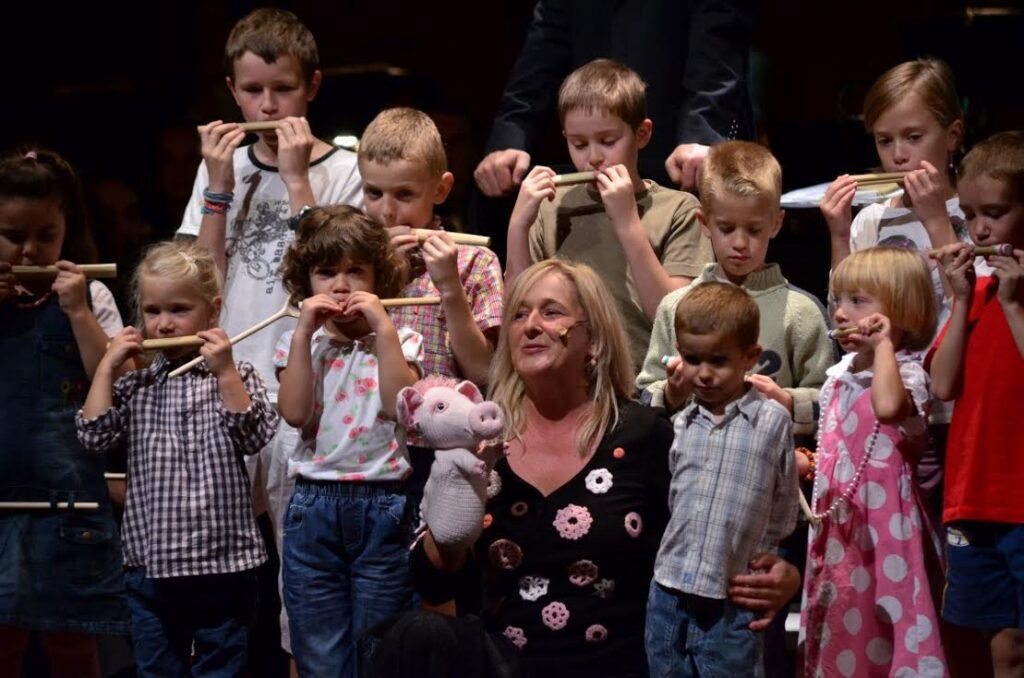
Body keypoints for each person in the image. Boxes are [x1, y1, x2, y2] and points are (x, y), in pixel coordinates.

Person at [404, 260, 800, 677]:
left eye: (551, 311)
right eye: (519, 314)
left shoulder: (644, 436)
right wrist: (450, 526)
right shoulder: (478, 437)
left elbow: (718, 519)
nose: (531, 325)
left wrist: (783, 574)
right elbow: (430, 580)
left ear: (592, 339)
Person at [76, 241, 279, 675]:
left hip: (222, 565)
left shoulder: (237, 374)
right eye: (153, 311)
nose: (164, 324)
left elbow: (255, 432)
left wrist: (224, 370)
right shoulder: (138, 387)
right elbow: (93, 435)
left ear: (213, 310)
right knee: (156, 669)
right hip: (150, 568)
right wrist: (108, 368)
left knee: (223, 667)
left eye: (179, 309)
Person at [274, 205, 422, 677]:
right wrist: (302, 333)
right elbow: (295, 413)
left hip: (383, 502)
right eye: (326, 272)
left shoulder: (401, 339)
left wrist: (383, 330)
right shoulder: (298, 344)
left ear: (379, 279)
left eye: (356, 270)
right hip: (313, 507)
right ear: (306, 283)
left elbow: (402, 403)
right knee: (318, 646)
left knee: (381, 644)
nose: (341, 285)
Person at [0, 148, 129, 677]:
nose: (30, 249)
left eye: (45, 235)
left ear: (66, 231)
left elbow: (114, 382)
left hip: (69, 508)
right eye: (12, 235)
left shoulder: (91, 295)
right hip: (1, 504)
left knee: (73, 649)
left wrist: (77, 311)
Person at [505, 59, 713, 370]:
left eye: (608, 141)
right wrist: (518, 226)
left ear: (641, 134)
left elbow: (674, 322)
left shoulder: (679, 209)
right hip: (563, 379)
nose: (593, 158)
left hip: (642, 383)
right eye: (578, 144)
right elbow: (518, 314)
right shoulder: (551, 205)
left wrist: (628, 222)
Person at [800, 247, 946, 676]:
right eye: (837, 300)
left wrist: (884, 346)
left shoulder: (907, 372)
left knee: (883, 620)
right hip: (840, 529)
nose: (841, 313)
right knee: (842, 619)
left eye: (858, 301)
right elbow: (835, 447)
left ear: (900, 312)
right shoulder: (839, 374)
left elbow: (887, 408)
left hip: (885, 532)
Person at [645, 282, 798, 677]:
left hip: (732, 591)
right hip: (670, 589)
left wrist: (768, 555)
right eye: (692, 359)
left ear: (750, 357)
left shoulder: (771, 420)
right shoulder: (682, 423)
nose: (704, 374)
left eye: (718, 360)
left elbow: (783, 497)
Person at [357, 107, 505, 514]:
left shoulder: (474, 261)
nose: (387, 212)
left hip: (439, 449)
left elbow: (484, 372)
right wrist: (379, 273)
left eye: (404, 195)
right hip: (360, 449)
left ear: (440, 190)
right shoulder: (351, 265)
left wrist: (450, 289)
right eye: (373, 193)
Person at [636, 141, 831, 435]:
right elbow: (645, 393)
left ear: (776, 223)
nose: (740, 243)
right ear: (703, 222)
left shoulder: (802, 312)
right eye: (726, 229)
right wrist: (671, 393)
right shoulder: (674, 306)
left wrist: (787, 402)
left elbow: (831, 401)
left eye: (753, 230)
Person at [473, 0, 756, 198]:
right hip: (599, 153)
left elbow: (718, 45)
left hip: (678, 151)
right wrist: (511, 136)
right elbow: (545, 40)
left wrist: (702, 137)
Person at [930, 130, 1024, 677]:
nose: (981, 229)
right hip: (974, 496)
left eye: (996, 212)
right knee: (998, 642)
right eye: (970, 214)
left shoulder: (1011, 297)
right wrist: (961, 299)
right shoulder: (979, 294)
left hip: (1019, 497)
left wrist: (1013, 306)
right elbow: (943, 385)